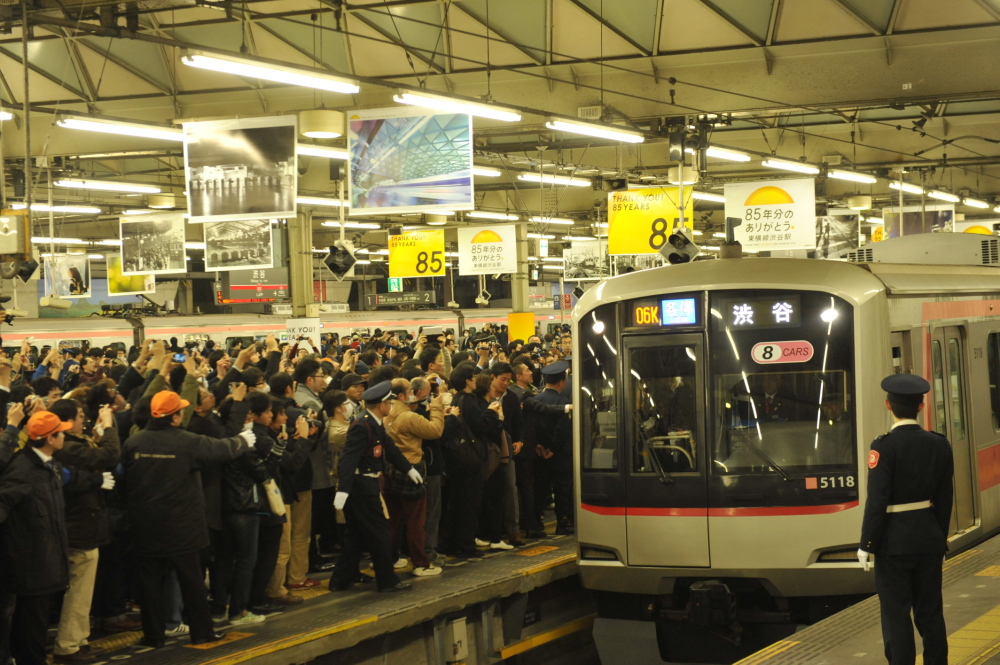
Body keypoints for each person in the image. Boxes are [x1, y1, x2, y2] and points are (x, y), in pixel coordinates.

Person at [123, 391, 255, 648]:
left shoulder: (134, 443)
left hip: (145, 524)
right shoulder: (186, 441)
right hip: (182, 525)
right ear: (174, 418)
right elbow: (219, 449)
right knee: (192, 580)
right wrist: (242, 440)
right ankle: (202, 632)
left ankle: (153, 636)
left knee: (149, 583)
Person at [858, 374, 953, 665]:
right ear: (922, 406)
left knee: (896, 613)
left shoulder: (883, 447)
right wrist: (939, 535)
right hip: (928, 538)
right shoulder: (939, 444)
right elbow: (945, 497)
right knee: (931, 612)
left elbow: (877, 501)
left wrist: (867, 544)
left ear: (888, 405)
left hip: (892, 543)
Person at [0, 412, 100, 665]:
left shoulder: (50, 465)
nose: (64, 435)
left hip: (46, 561)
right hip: (31, 565)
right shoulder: (23, 470)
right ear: (49, 438)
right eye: (60, 431)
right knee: (29, 631)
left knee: (36, 627)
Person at [329, 381, 421, 592]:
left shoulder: (374, 422)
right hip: (361, 487)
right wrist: (343, 489)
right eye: (388, 402)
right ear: (381, 405)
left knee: (355, 535)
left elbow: (390, 448)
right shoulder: (362, 425)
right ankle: (387, 581)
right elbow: (348, 458)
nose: (391, 405)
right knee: (380, 533)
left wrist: (408, 469)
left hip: (367, 484)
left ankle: (340, 580)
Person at [50, 400, 121, 663]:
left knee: (83, 590)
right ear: (67, 423)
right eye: (81, 416)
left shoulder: (72, 445)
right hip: (80, 527)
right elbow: (109, 456)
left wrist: (94, 437)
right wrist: (110, 429)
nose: (84, 421)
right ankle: (68, 646)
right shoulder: (68, 448)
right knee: (78, 591)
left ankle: (80, 639)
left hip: (84, 524)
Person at [383, 378, 445, 577]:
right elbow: (435, 431)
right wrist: (436, 408)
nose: (412, 393)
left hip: (391, 469)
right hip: (412, 468)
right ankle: (421, 563)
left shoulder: (388, 413)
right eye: (409, 390)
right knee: (416, 520)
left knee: (393, 519)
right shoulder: (408, 416)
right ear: (401, 395)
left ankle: (392, 558)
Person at [531, 361, 574, 535]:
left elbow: (531, 426)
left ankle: (537, 522)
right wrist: (553, 449)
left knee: (540, 488)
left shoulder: (534, 400)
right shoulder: (563, 402)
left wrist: (539, 445)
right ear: (561, 382)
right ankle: (562, 523)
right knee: (562, 489)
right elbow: (562, 430)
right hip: (559, 454)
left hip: (539, 452)